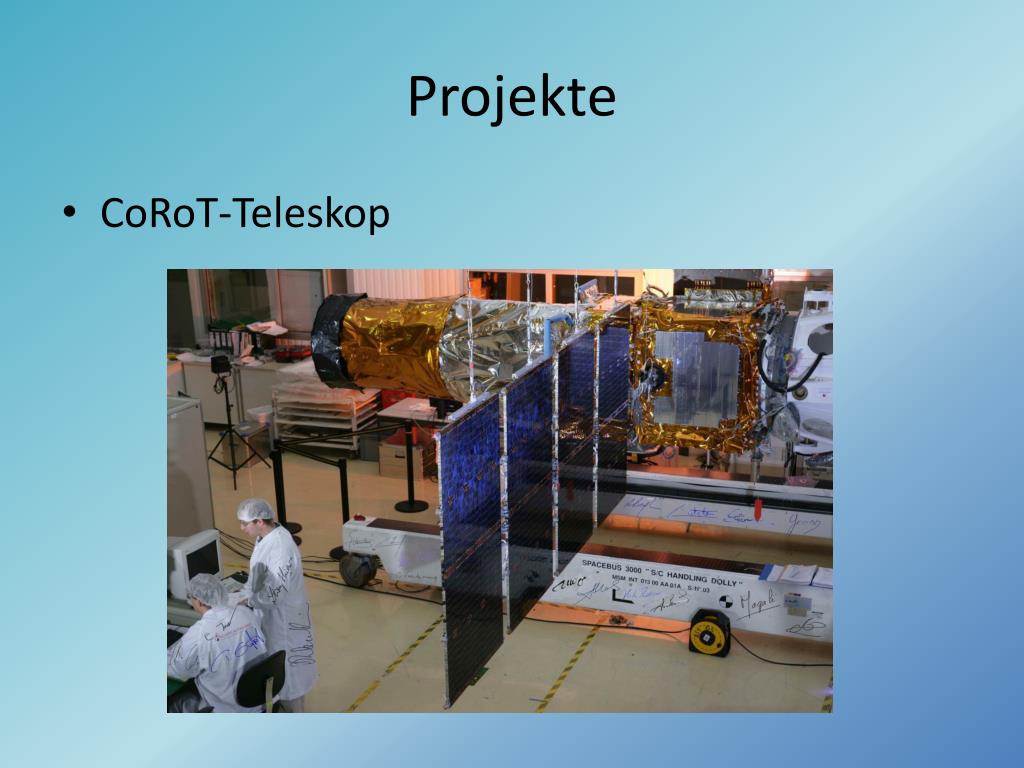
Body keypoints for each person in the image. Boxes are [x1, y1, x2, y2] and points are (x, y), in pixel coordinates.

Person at [236, 498, 318, 712]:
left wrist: (249, 601)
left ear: (259, 521)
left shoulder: (281, 547)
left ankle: (296, 716)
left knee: (289, 671)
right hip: (275, 616)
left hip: (284, 620)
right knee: (280, 666)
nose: (242, 528)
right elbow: (260, 575)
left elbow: (275, 594)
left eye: (245, 523)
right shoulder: (265, 538)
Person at [167, 573, 267, 713]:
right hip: (258, 699)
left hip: (227, 709)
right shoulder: (245, 612)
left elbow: (177, 669)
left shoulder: (199, 633)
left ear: (199, 602)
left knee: (172, 702)